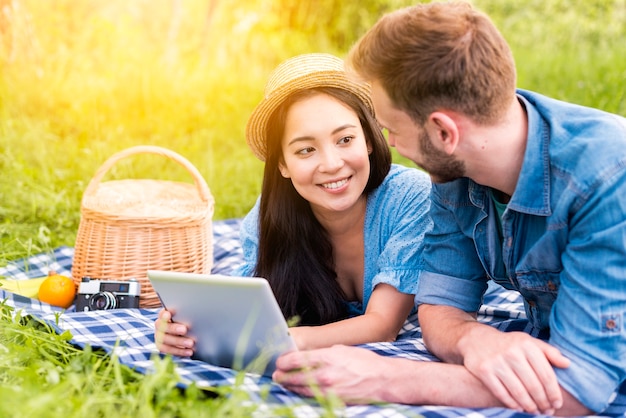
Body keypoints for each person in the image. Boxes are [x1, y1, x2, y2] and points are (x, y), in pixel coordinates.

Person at [272, 2, 626, 416]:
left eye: (392, 130)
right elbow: (439, 306)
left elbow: (579, 389)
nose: (393, 146)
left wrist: (386, 376)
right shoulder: (455, 172)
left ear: (443, 131)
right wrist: (475, 339)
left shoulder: (605, 179)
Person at [154, 53, 432, 354]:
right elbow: (251, 317)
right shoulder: (266, 221)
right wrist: (182, 330)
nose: (331, 164)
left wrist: (289, 341)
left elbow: (382, 326)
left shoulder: (409, 197)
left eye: (345, 140)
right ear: (282, 164)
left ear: (367, 140)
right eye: (306, 150)